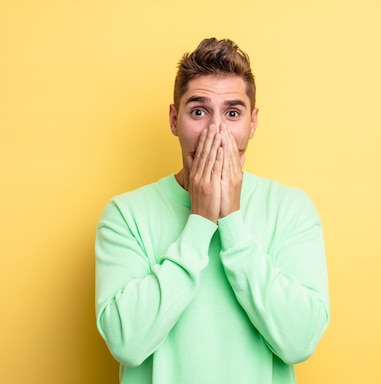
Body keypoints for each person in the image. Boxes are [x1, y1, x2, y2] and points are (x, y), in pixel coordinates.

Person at [95, 37, 330, 384]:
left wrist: (232, 223)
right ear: (174, 120)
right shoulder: (125, 215)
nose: (216, 132)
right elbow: (127, 343)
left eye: (233, 113)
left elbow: (299, 342)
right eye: (199, 111)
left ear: (252, 123)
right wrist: (200, 222)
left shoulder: (292, 210)